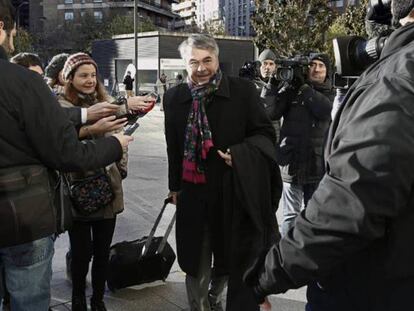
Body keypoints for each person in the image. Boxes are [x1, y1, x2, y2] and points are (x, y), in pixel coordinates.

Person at [247, 1, 414, 311]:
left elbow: (350, 205)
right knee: (290, 213)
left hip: (373, 287)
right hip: (295, 168)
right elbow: (270, 111)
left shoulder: (395, 81)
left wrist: (267, 274)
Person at [0, 2, 134, 311]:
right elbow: (63, 151)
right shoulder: (22, 83)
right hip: (23, 217)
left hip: (88, 205)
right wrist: (115, 144)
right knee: (28, 299)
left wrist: (90, 114)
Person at [164, 34, 281, 311]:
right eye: (194, 62)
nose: (201, 68)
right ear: (185, 63)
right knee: (195, 258)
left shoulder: (242, 91)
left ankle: (217, 297)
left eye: (207, 60)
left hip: (232, 191)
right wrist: (174, 187)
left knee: (232, 257)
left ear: (217, 59)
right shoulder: (174, 97)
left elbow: (265, 133)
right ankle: (200, 305)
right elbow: (174, 147)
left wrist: (241, 156)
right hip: (193, 193)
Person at [58, 52, 152, 311]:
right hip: (77, 188)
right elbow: (62, 141)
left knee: (101, 251)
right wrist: (91, 130)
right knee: (80, 252)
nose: (89, 80)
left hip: (107, 188)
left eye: (92, 75)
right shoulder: (62, 106)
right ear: (70, 78)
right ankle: (78, 298)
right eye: (82, 75)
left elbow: (120, 136)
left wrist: (120, 169)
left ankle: (97, 300)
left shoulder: (105, 100)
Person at [278, 53, 333, 237]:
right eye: (312, 65)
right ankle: (286, 256)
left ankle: (309, 255)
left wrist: (305, 89)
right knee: (290, 215)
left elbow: (325, 111)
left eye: (321, 66)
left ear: (327, 71)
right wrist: (272, 84)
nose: (316, 69)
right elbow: (270, 112)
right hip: (291, 163)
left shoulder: (333, 92)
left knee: (315, 214)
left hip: (316, 165)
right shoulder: (292, 90)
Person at [254, 49, 283, 144]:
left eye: (271, 64)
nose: (267, 67)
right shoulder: (252, 85)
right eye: (264, 63)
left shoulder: (281, 86)